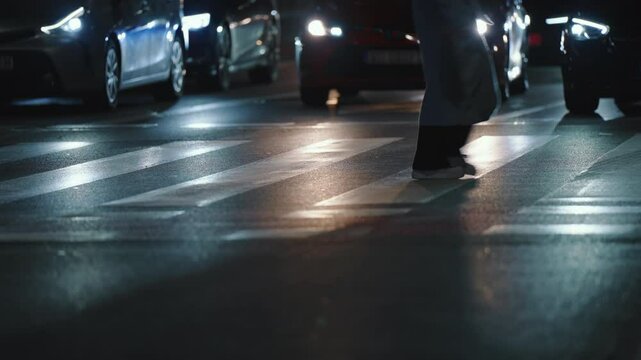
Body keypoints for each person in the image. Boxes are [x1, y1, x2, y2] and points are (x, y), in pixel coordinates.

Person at [411, 0, 500, 179]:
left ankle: (449, 152)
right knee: (447, 88)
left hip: (456, 20)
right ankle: (429, 162)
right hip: (444, 21)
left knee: (471, 88)